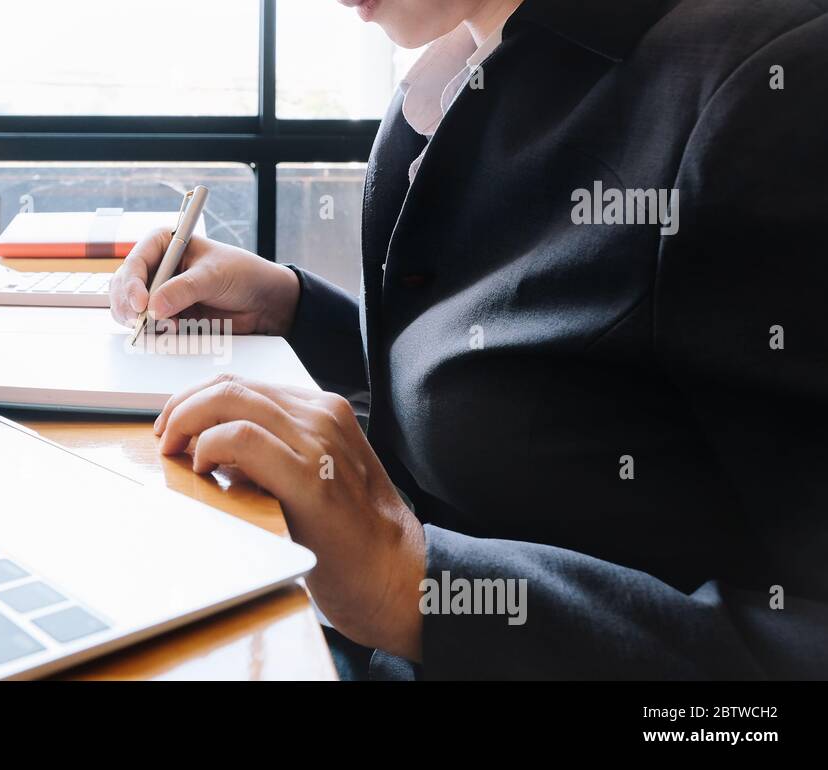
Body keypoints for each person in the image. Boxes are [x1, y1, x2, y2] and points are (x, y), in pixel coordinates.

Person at [109, 0, 828, 679]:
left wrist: (417, 587)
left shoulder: (771, 85)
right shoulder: (456, 61)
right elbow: (538, 392)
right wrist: (297, 312)